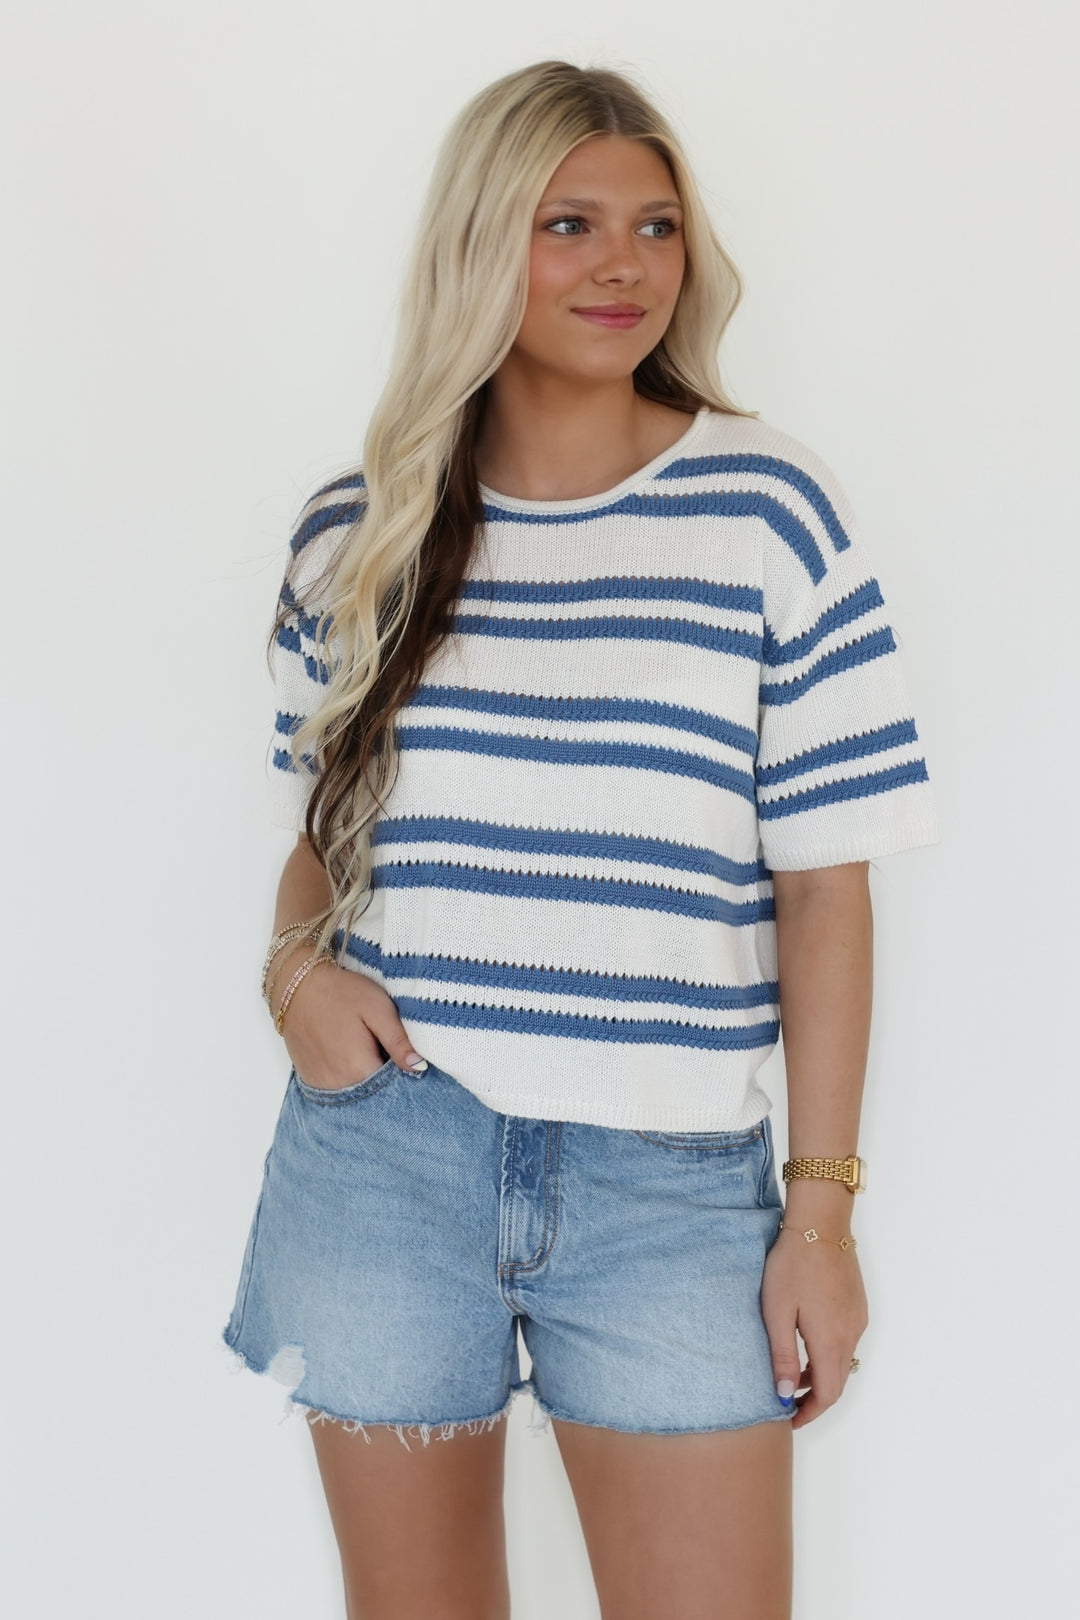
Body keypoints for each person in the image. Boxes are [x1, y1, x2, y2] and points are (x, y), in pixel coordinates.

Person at [222, 59, 939, 1620]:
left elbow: (826, 887)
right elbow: (321, 839)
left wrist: (821, 1211)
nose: (625, 264)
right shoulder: (361, 529)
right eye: (571, 224)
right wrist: (291, 978)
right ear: (481, 242)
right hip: (386, 1158)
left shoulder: (766, 511)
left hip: (668, 1190)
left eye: (656, 225)